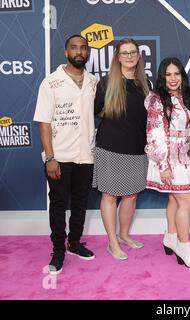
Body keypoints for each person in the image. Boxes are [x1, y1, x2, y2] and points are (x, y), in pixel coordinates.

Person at [33, 35, 97, 275]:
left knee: (81, 202)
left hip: (86, 156)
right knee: (59, 205)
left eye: (83, 48)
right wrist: (50, 157)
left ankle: (75, 243)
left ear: (88, 53)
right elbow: (43, 123)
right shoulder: (51, 83)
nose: (79, 52)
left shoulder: (93, 82)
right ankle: (58, 250)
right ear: (65, 52)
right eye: (74, 48)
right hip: (59, 157)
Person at [92, 38, 150, 260]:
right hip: (111, 148)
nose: (129, 56)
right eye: (124, 53)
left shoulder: (146, 84)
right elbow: (94, 110)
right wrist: (107, 113)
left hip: (138, 148)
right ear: (117, 57)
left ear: (138, 55)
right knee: (109, 196)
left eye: (132, 52)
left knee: (131, 195)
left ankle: (124, 235)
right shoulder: (106, 83)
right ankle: (112, 242)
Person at [144, 57, 190, 269]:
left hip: (184, 155)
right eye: (168, 74)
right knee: (185, 201)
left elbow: (187, 128)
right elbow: (154, 133)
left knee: (175, 200)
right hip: (168, 157)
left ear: (182, 76)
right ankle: (183, 246)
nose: (172, 78)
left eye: (176, 74)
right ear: (162, 77)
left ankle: (170, 237)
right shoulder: (157, 100)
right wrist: (163, 165)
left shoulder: (183, 96)